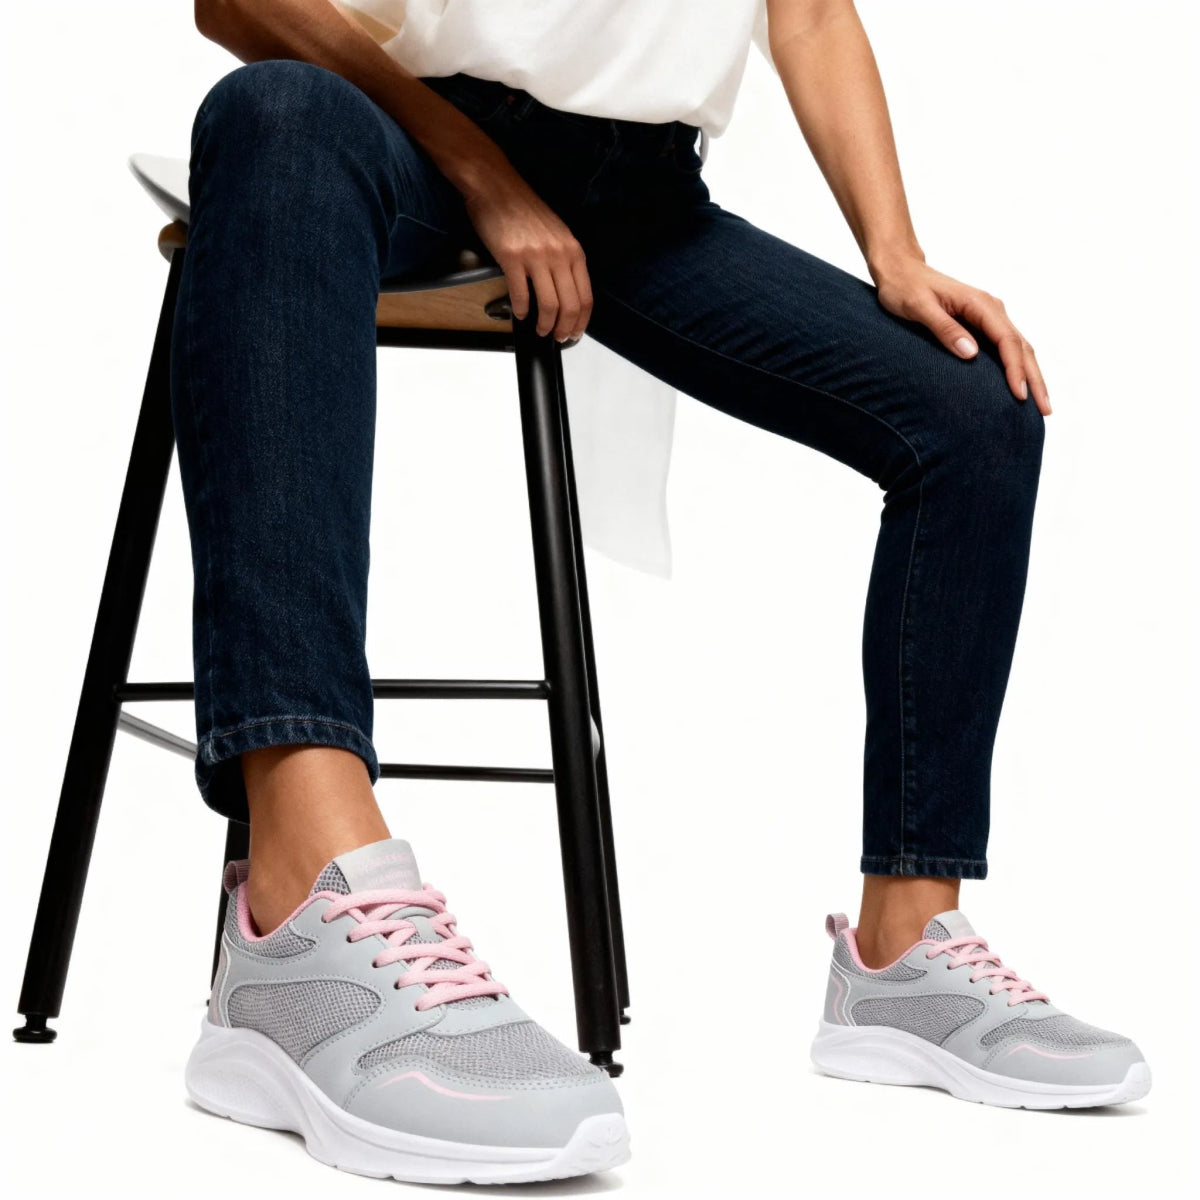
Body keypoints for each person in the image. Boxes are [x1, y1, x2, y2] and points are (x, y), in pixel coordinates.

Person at [173, 0, 1150, 1185]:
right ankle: (297, 914)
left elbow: (810, 14)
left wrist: (894, 253)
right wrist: (483, 171)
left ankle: (905, 954)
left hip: (637, 199)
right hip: (395, 134)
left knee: (975, 415)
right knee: (274, 113)